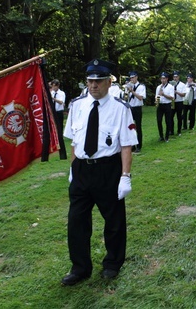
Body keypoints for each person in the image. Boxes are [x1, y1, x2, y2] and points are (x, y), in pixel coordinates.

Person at [61, 59, 137, 286]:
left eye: (99, 81)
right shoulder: (77, 106)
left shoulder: (120, 109)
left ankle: (112, 263)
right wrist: (73, 168)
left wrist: (125, 176)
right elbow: (75, 141)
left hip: (108, 169)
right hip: (82, 169)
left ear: (108, 81)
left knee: (113, 221)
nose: (94, 86)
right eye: (90, 81)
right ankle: (80, 267)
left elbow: (126, 145)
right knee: (76, 221)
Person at [126, 71, 146, 153]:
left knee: (138, 127)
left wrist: (132, 91)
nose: (132, 79)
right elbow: (126, 98)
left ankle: (139, 146)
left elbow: (141, 97)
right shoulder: (129, 86)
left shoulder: (141, 87)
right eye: (130, 78)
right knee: (131, 127)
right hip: (130, 108)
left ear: (136, 77)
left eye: (133, 77)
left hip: (137, 108)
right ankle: (133, 145)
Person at [50, 79, 67, 159]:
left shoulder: (61, 93)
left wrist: (53, 98)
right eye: (52, 86)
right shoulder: (51, 92)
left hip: (59, 112)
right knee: (52, 126)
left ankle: (60, 139)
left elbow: (61, 102)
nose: (53, 88)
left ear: (57, 86)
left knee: (59, 126)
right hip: (52, 111)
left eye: (54, 86)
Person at [155, 72, 175, 142]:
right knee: (159, 120)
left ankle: (167, 136)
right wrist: (156, 101)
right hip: (160, 105)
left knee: (168, 121)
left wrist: (163, 94)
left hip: (167, 105)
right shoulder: (158, 87)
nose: (162, 80)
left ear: (167, 79)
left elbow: (172, 97)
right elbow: (156, 96)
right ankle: (161, 136)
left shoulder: (170, 87)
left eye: (164, 79)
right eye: (161, 79)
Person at [170, 71, 186, 136]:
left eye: (176, 77)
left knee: (179, 117)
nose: (175, 78)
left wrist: (176, 92)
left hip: (179, 102)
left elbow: (183, 94)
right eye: (174, 77)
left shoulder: (182, 85)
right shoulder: (170, 84)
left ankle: (179, 131)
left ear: (178, 77)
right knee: (171, 117)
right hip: (172, 101)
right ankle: (171, 130)